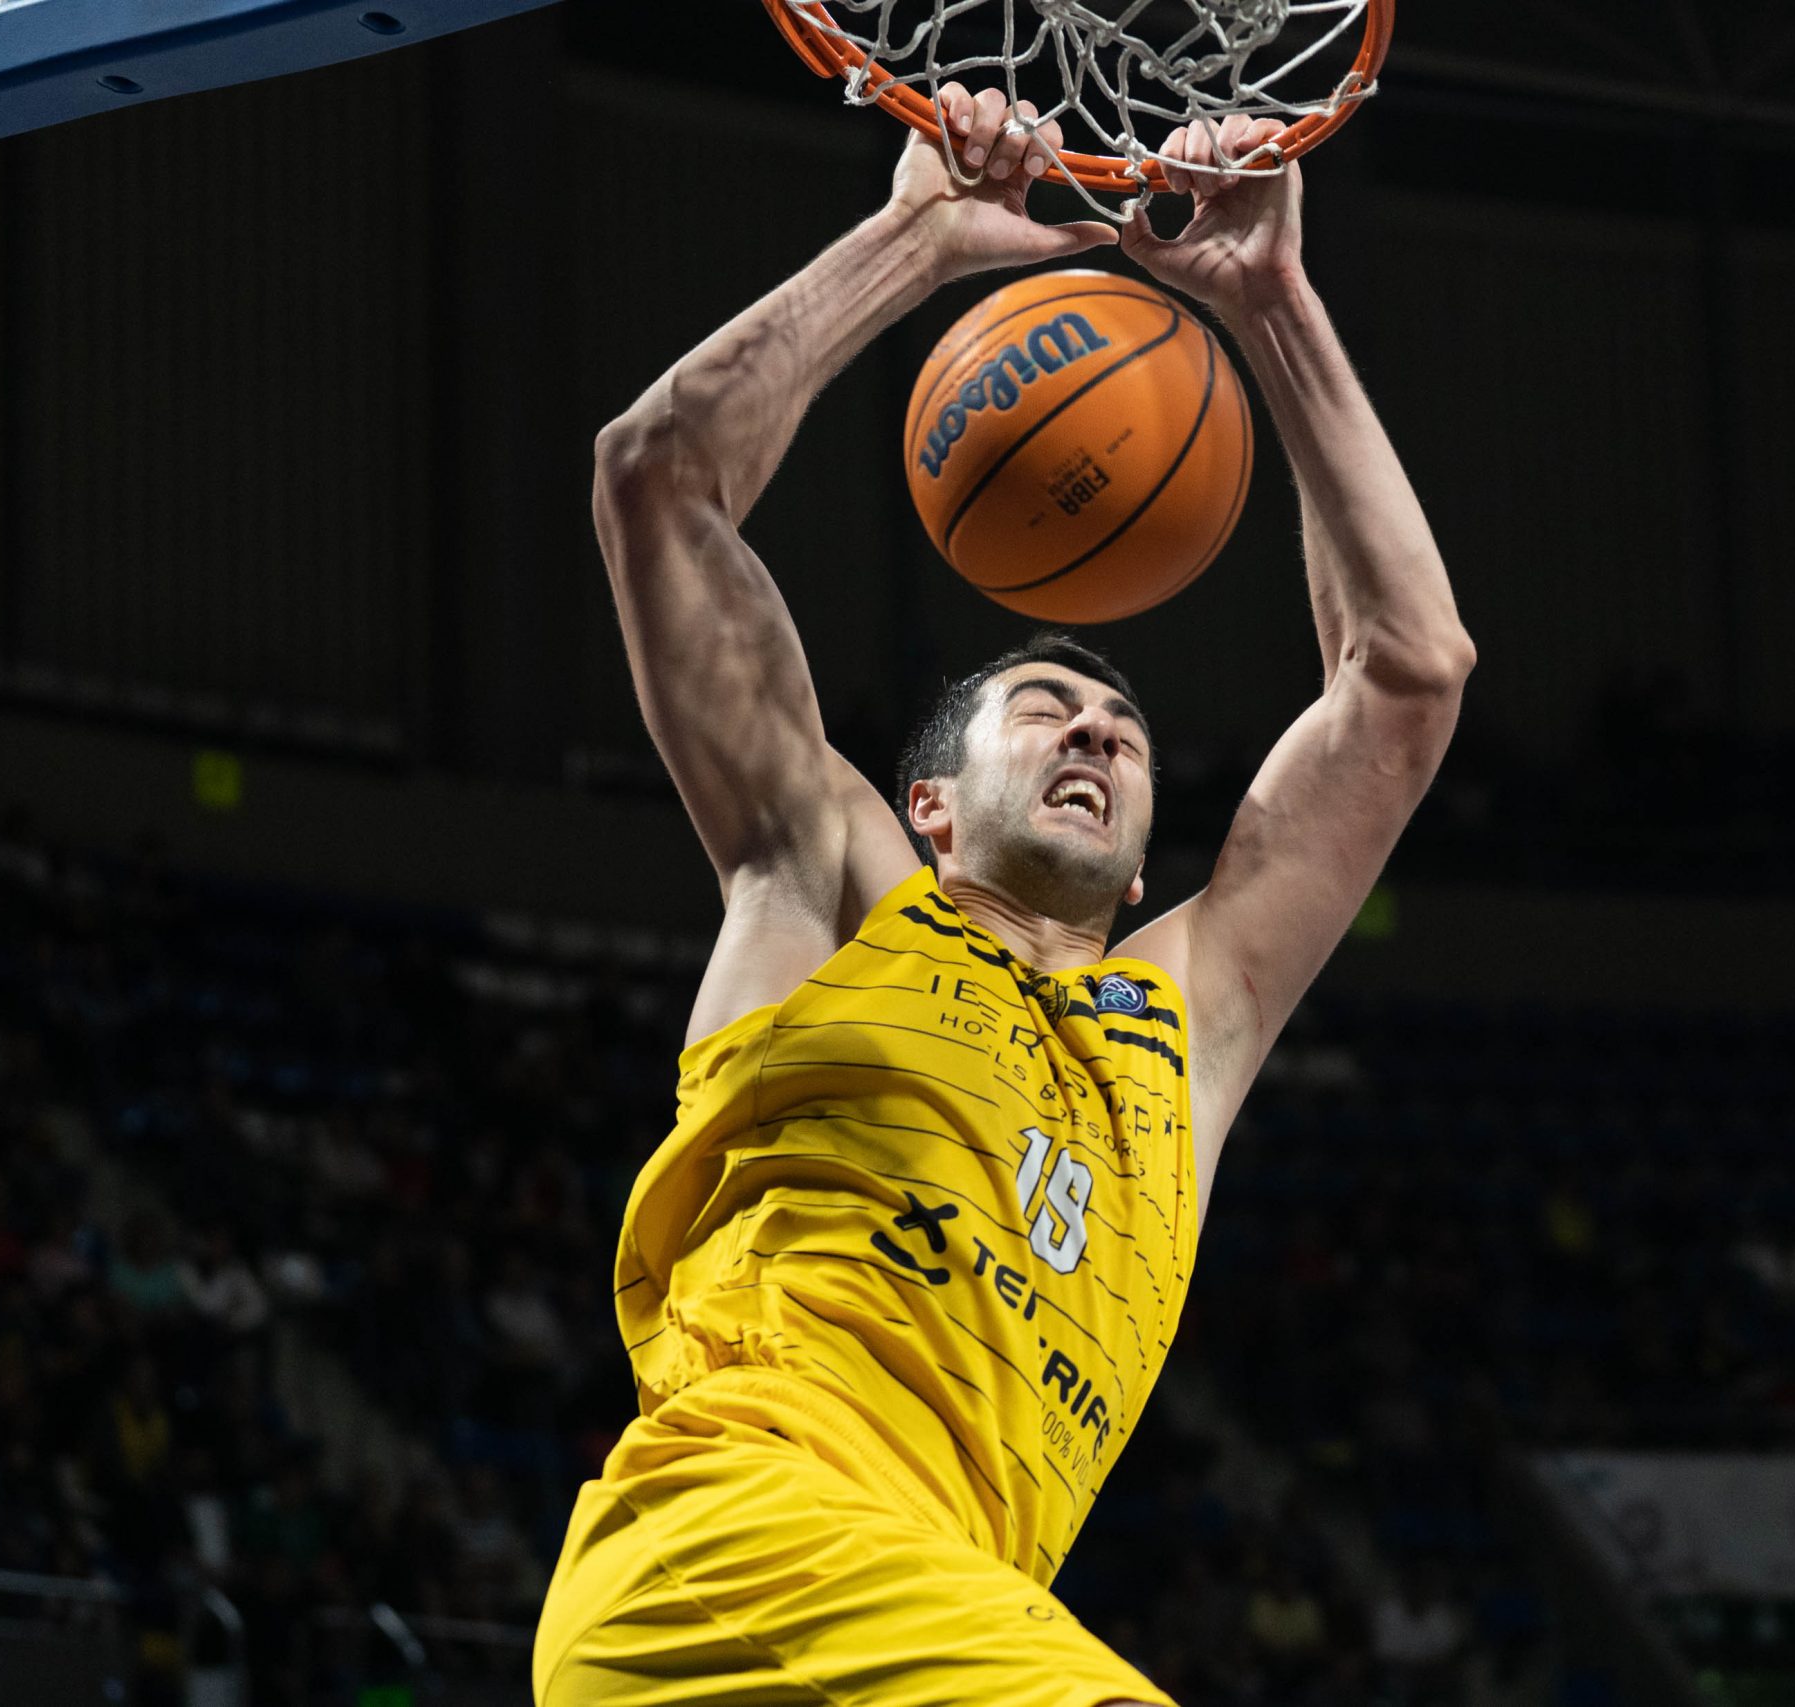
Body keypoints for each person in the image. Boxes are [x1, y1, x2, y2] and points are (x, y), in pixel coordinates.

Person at [535, 83, 1473, 1707]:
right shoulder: (836, 885)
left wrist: (1271, 304)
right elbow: (657, 481)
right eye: (1043, 708)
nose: (1095, 729)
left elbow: (1408, 676)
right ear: (929, 807)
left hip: (930, 1610)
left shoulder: (1187, 1025)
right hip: (731, 1547)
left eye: (1124, 728)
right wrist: (910, 243)